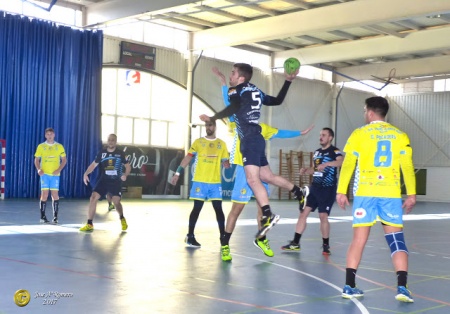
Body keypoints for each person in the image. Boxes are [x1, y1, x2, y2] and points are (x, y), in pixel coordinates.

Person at [212, 66, 312, 261]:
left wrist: (299, 133)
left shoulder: (256, 125)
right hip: (243, 166)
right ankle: (225, 244)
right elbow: (230, 103)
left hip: (251, 161)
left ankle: (262, 237)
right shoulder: (236, 122)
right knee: (237, 209)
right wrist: (224, 84)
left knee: (261, 203)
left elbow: (279, 132)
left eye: (234, 74)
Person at [336, 96, 416, 302]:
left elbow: (348, 165)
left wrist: (341, 191)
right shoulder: (399, 135)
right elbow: (407, 166)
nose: (364, 114)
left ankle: (349, 285)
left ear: (370, 112)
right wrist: (412, 194)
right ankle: (402, 288)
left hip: (365, 192)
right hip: (389, 193)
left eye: (364, 111)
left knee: (359, 240)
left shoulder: (359, 134)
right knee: (396, 241)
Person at [282, 127, 343, 255]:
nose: (321, 137)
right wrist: (306, 170)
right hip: (314, 188)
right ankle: (295, 243)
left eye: (324, 135)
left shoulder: (334, 151)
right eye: (320, 135)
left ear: (330, 138)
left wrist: (326, 164)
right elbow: (315, 169)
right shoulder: (317, 152)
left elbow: (341, 162)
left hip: (327, 189)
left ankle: (326, 245)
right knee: (303, 213)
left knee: (323, 216)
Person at [171, 120, 230, 248]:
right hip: (200, 181)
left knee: (219, 210)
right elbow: (188, 158)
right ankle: (190, 236)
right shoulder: (198, 142)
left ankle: (223, 238)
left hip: (215, 182)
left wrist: (226, 164)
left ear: (215, 126)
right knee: (196, 209)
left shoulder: (222, 144)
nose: (208, 127)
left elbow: (226, 161)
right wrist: (177, 173)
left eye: (210, 125)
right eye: (207, 125)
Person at [80, 134, 131, 232]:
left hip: (116, 182)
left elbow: (128, 166)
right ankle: (89, 224)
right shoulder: (102, 153)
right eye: (109, 140)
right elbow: (93, 165)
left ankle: (122, 218)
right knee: (93, 197)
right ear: (107, 141)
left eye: (113, 140)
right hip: (104, 181)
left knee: (116, 202)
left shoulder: (120, 153)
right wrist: (86, 173)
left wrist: (125, 174)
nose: (111, 142)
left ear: (115, 142)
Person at [34, 128, 67, 224]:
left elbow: (64, 160)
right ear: (45, 135)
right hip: (44, 174)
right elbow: (36, 160)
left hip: (55, 175)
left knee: (55, 195)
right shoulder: (41, 146)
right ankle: (42, 217)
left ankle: (55, 217)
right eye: (47, 134)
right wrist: (39, 169)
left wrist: (58, 169)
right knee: (44, 194)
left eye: (51, 134)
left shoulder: (59, 146)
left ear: (54, 135)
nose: (49, 136)